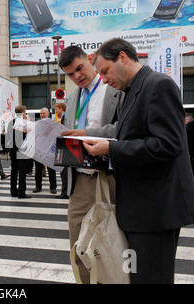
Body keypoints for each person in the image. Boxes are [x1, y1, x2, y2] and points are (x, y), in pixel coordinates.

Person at [84, 37, 194, 284]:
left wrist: (112, 149)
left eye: (105, 71)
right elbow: (128, 134)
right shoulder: (130, 91)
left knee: (152, 278)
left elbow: (169, 144)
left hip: (155, 210)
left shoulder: (158, 85)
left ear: (123, 57)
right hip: (140, 208)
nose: (104, 79)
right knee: (140, 276)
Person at [59, 45, 125, 284]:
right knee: (78, 247)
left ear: (89, 60)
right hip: (79, 180)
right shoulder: (73, 96)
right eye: (70, 74)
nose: (76, 76)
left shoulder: (114, 89)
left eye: (79, 68)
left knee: (112, 246)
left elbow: (125, 128)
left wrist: (88, 132)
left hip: (110, 178)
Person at [7, 105, 30, 199]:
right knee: (22, 171)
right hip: (22, 150)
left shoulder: (11, 122)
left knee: (14, 171)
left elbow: (8, 136)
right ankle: (21, 192)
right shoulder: (24, 123)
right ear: (23, 112)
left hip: (13, 150)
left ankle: (13, 191)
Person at [33, 108, 57, 194]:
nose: (42, 115)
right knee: (38, 170)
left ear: (48, 114)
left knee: (51, 169)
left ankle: (53, 187)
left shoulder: (53, 124)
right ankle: (38, 186)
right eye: (41, 114)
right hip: (39, 149)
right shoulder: (37, 124)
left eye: (43, 113)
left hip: (49, 149)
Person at [54, 103, 69, 199]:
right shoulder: (64, 117)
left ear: (61, 108)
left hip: (65, 147)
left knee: (64, 171)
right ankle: (65, 191)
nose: (55, 111)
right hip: (65, 146)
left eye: (56, 109)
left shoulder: (65, 117)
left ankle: (65, 192)